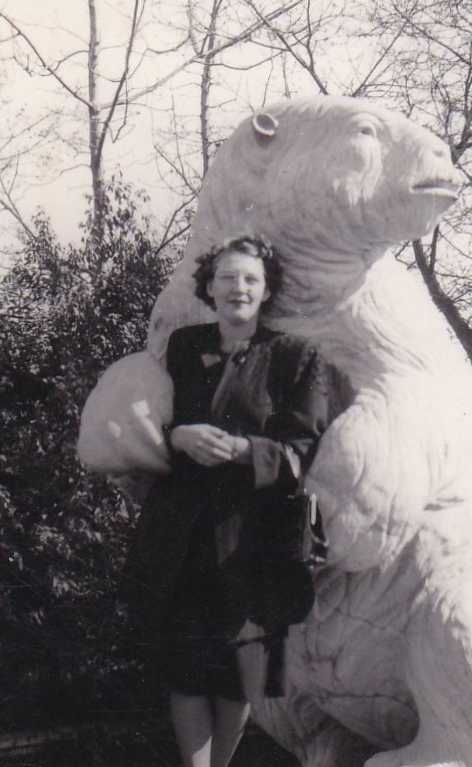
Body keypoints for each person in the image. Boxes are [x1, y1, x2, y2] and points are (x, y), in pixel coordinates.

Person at [125, 235, 342, 767]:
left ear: (266, 291)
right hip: (182, 532)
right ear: (210, 288)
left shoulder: (296, 356)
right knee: (185, 665)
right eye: (227, 278)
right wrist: (177, 437)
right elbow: (157, 414)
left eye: (250, 279)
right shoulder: (183, 346)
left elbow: (302, 449)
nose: (237, 288)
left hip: (252, 538)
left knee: (236, 673)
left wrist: (245, 450)